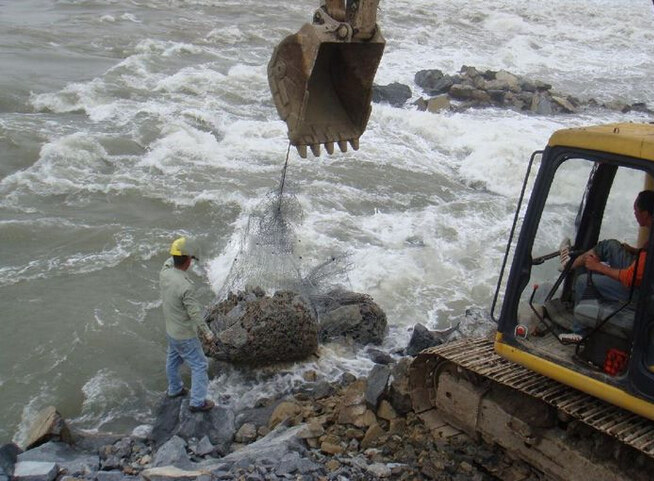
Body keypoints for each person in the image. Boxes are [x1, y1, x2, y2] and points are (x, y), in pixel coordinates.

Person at [560, 190, 654, 344]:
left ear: (645, 214)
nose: (634, 213)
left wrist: (599, 267)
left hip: (642, 293)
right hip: (644, 280)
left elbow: (631, 278)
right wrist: (636, 252)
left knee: (583, 281)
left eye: (636, 210)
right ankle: (568, 264)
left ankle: (579, 333)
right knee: (609, 246)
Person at [160, 236, 215, 412]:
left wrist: (181, 252)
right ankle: (197, 402)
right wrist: (207, 333)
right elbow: (195, 313)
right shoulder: (185, 286)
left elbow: (171, 260)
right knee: (200, 365)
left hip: (171, 331)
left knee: (173, 359)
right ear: (188, 260)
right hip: (185, 335)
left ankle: (175, 389)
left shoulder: (165, 272)